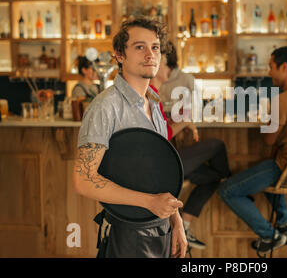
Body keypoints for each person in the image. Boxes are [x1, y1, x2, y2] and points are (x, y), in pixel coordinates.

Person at [73, 17, 187, 258]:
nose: (150, 54)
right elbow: (83, 180)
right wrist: (150, 203)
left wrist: (176, 222)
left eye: (155, 47)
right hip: (126, 233)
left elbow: (160, 172)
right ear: (119, 55)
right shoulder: (105, 107)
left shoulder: (154, 103)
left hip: (160, 227)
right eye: (139, 47)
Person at [218, 46, 287, 255]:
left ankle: (270, 235)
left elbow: (268, 139)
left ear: (284, 67)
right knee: (264, 169)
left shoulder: (281, 100)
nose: (269, 72)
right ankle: (285, 223)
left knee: (227, 190)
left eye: (271, 67)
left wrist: (269, 116)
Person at [150, 42, 231, 250]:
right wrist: (185, 121)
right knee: (217, 145)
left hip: (167, 159)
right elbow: (162, 133)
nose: (168, 72)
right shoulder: (149, 92)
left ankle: (184, 225)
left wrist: (184, 121)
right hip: (163, 165)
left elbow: (163, 128)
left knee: (213, 179)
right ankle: (230, 185)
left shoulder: (155, 91)